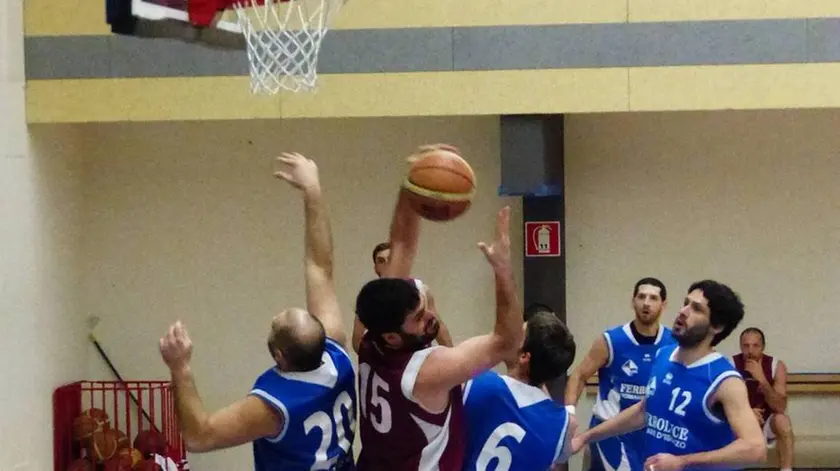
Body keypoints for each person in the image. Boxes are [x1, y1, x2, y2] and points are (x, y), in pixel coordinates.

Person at [158, 153, 356, 470]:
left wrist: (180, 368)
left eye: (274, 324)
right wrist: (313, 191)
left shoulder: (273, 405)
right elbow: (321, 267)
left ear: (279, 356)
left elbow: (199, 437)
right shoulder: (338, 354)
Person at [354, 144, 523, 471]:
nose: (431, 315)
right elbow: (508, 342)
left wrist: (412, 187)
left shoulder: (365, 337)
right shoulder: (425, 373)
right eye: (419, 318)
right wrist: (503, 269)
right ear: (392, 337)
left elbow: (400, 243)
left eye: (424, 305)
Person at [571, 280, 767, 471]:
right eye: (685, 304)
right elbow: (645, 410)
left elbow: (755, 449)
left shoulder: (724, 380)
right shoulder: (663, 355)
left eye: (696, 309)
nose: (683, 312)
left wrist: (683, 462)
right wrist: (586, 437)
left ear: (716, 327)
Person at [564, 278, 674, 471]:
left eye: (653, 298)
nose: (646, 303)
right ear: (633, 301)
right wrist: (570, 413)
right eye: (641, 297)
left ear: (663, 305)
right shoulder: (611, 340)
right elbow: (579, 375)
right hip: (611, 432)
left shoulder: (673, 342)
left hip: (651, 433)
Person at [461, 306, 578, 471]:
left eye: (519, 334)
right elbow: (562, 454)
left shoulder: (479, 382)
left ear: (524, 356)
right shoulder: (563, 425)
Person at [352, 243, 453, 352]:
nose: (386, 264)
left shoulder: (421, 290)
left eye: (390, 259)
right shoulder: (370, 298)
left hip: (419, 358)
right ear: (376, 268)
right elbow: (357, 341)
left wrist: (453, 358)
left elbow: (438, 326)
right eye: (381, 261)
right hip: (387, 363)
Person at [733, 327, 794, 471]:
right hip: (740, 420)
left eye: (755, 346)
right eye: (746, 346)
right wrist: (746, 414)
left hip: (766, 421)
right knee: (723, 421)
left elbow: (780, 407)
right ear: (741, 347)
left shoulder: (776, 365)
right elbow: (722, 403)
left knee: (782, 420)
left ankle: (786, 469)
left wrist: (762, 380)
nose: (750, 351)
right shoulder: (730, 364)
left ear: (763, 347)